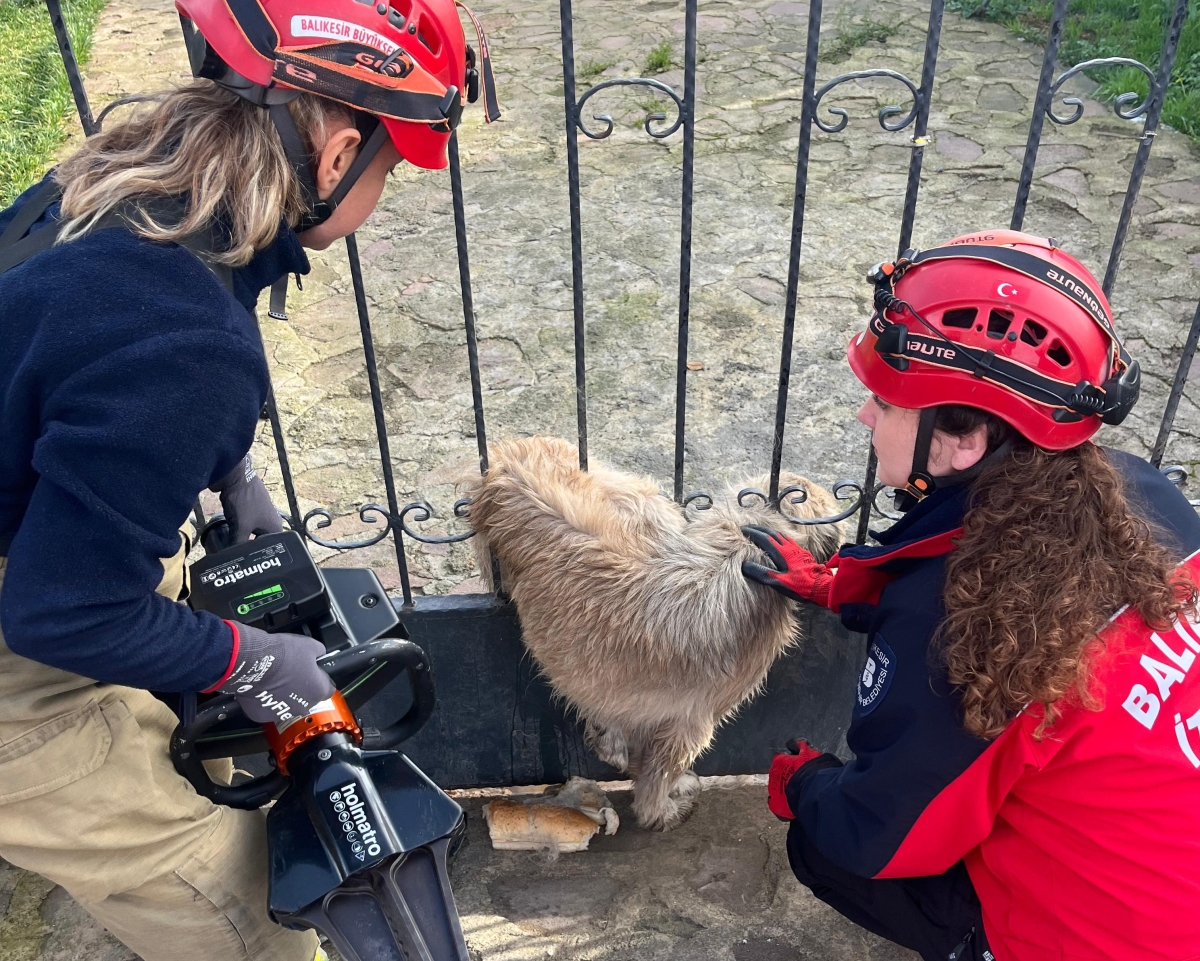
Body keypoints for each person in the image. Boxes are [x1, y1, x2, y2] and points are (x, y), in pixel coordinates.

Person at [0, 0, 495, 958]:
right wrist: (251, 661)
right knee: (238, 904)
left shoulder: (115, 183)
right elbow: (60, 616)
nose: (377, 193)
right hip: (31, 614)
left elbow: (77, 352)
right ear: (338, 152)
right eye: (387, 169)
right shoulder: (189, 344)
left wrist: (226, 466)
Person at [742, 231, 1200, 961]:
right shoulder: (1146, 498)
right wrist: (844, 586)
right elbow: (960, 558)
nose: (866, 417)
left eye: (885, 399)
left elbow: (878, 835)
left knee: (823, 847)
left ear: (964, 439)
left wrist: (808, 789)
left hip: (1097, 946)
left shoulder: (959, 634)